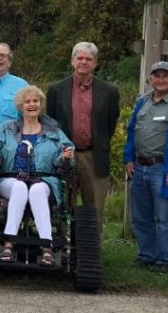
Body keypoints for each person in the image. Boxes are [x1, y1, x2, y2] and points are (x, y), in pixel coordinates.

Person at [122, 60, 168, 274]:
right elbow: (131, 132)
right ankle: (146, 255)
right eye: (157, 75)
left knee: (163, 218)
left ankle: (163, 259)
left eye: (166, 76)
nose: (161, 79)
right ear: (151, 79)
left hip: (163, 168)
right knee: (140, 216)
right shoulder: (142, 102)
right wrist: (128, 158)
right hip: (139, 166)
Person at [0, 85, 74, 267]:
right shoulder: (7, 128)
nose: (31, 104)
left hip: (44, 179)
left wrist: (65, 156)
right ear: (20, 106)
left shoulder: (54, 131)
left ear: (41, 104)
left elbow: (68, 152)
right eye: (27, 101)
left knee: (36, 190)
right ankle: (9, 244)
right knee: (19, 186)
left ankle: (46, 248)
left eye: (35, 101)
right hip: (9, 179)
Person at [46, 41, 120, 237]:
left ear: (95, 63)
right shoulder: (55, 90)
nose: (84, 62)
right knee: (63, 206)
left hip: (93, 156)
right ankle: (63, 250)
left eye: (88, 59)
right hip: (65, 156)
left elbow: (109, 124)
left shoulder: (109, 91)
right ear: (72, 61)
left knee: (94, 209)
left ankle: (91, 255)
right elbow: (51, 123)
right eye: (80, 58)